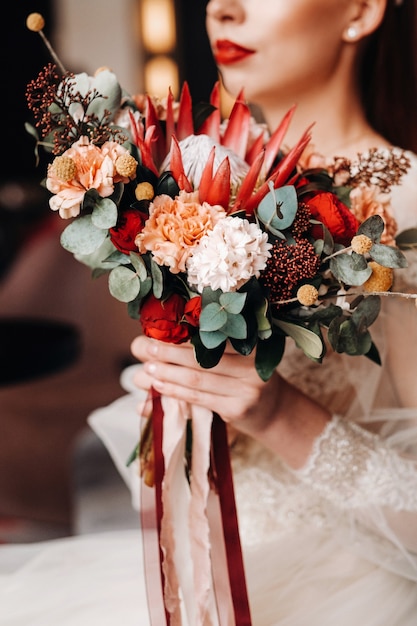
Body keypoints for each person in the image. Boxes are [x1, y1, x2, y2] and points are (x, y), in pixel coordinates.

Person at [1, 0, 417, 624]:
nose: (224, 9)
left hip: (329, 591)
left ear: (361, 11)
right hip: (192, 566)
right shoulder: (197, 173)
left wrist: (280, 415)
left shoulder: (403, 206)